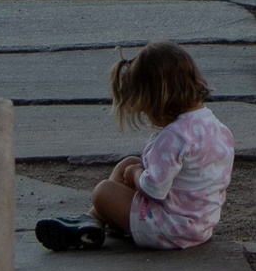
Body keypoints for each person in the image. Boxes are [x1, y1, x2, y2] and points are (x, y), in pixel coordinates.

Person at [34, 44, 234, 253]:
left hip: (168, 230)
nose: (147, 116)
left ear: (158, 100)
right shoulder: (217, 128)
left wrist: (137, 174)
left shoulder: (174, 136)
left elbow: (154, 189)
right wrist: (133, 169)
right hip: (199, 227)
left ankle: (94, 221)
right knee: (128, 162)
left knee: (104, 191)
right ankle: (92, 221)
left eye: (146, 110)